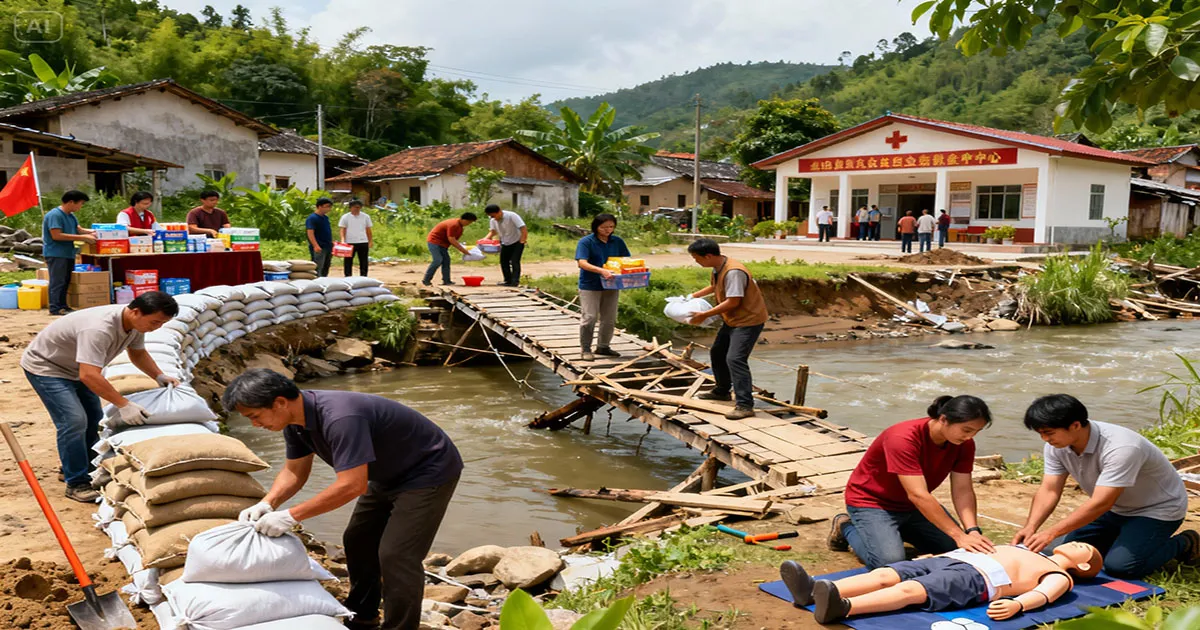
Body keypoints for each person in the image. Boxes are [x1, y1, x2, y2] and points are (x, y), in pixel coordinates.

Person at [223, 369, 462, 630]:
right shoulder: (295, 422)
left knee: (396, 555)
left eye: (255, 417)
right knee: (358, 539)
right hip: (386, 472)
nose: (256, 425)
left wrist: (290, 516)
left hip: (428, 470)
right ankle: (363, 615)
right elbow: (294, 471)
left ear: (280, 402)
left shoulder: (340, 417)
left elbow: (352, 485)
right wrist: (268, 503)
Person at [1012, 394, 1200, 578]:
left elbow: (1102, 502)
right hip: (1116, 509)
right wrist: (1031, 527)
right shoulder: (1057, 446)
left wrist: (1052, 531)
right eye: (1041, 434)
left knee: (1121, 567)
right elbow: (1049, 489)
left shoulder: (1121, 447)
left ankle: (1185, 543)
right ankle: (1122, 539)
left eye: (1049, 433)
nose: (1045, 439)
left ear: (1075, 425)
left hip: (1156, 509)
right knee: (1056, 550)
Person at [21, 292, 180, 501]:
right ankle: (76, 483)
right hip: (48, 368)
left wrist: (158, 375)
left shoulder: (134, 324)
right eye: (155, 322)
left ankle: (82, 468)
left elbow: (138, 352)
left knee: (94, 418)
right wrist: (124, 404)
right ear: (135, 311)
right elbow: (88, 375)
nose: (156, 328)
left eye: (162, 324)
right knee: (74, 420)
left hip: (78, 368)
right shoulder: (99, 328)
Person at [830, 396, 994, 569]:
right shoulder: (903, 438)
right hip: (873, 503)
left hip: (912, 507)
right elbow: (918, 495)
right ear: (944, 419)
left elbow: (963, 490)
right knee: (890, 563)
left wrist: (971, 530)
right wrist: (959, 535)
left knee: (953, 549)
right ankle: (846, 527)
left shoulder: (963, 444)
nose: (970, 437)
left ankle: (895, 532)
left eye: (976, 432)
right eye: (966, 430)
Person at [779, 542, 1102, 625]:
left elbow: (1044, 595)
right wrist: (940, 553)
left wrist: (1018, 604)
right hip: (954, 560)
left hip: (977, 579)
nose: (1077, 544)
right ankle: (810, 589)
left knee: (908, 592)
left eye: (1084, 548)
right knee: (885, 574)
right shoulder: (1027, 548)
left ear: (1083, 565)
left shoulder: (1059, 575)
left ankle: (843, 608)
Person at [685, 239, 769, 420]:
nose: (696, 261)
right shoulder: (719, 267)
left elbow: (734, 301)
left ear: (708, 256)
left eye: (696, 258)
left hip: (748, 321)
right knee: (717, 353)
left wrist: (704, 314)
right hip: (732, 319)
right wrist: (691, 296)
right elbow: (716, 287)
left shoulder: (734, 272)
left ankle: (745, 405)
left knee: (735, 359)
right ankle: (722, 391)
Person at [575, 213, 630, 362]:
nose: (608, 230)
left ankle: (603, 346)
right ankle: (585, 348)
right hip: (590, 285)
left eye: (611, 227)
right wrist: (601, 270)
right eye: (604, 227)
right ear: (596, 227)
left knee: (609, 318)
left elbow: (625, 259)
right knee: (590, 317)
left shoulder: (617, 241)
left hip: (612, 284)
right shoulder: (586, 242)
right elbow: (582, 263)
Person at [42, 190, 96, 316]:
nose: (80, 207)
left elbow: (79, 230)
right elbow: (56, 235)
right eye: (80, 203)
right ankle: (55, 307)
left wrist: (96, 232)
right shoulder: (55, 215)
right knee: (58, 281)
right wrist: (83, 238)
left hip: (67, 253)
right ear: (71, 202)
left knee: (66, 280)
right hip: (56, 253)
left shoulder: (71, 215)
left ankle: (63, 306)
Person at [423, 213, 477, 286]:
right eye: (469, 222)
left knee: (446, 261)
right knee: (437, 260)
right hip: (434, 242)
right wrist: (463, 250)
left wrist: (463, 247)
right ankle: (426, 280)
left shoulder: (460, 227)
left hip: (443, 244)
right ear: (463, 219)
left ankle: (446, 280)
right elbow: (451, 239)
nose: (469, 224)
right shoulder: (454, 224)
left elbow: (454, 239)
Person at [483, 204, 527, 287]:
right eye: (490, 216)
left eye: (493, 215)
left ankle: (515, 281)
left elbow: (523, 228)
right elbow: (493, 232)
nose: (493, 218)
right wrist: (485, 240)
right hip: (505, 242)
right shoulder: (493, 220)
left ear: (499, 211)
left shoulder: (512, 216)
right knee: (503, 261)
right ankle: (507, 280)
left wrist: (522, 240)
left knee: (514, 261)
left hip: (517, 241)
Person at [338, 199, 373, 277]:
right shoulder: (345, 217)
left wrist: (370, 241)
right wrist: (343, 240)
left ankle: (363, 276)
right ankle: (348, 276)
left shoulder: (365, 217)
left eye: (358, 207)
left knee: (363, 260)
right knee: (348, 261)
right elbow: (342, 229)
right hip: (349, 242)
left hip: (363, 241)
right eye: (355, 207)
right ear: (350, 208)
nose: (357, 209)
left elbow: (368, 230)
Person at [306, 198, 335, 278]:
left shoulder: (325, 218)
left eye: (330, 207)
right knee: (318, 267)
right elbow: (310, 232)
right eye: (327, 206)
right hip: (319, 246)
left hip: (327, 246)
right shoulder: (312, 218)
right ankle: (317, 283)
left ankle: (324, 281)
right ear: (319, 206)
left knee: (326, 266)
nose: (329, 209)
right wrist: (315, 245)